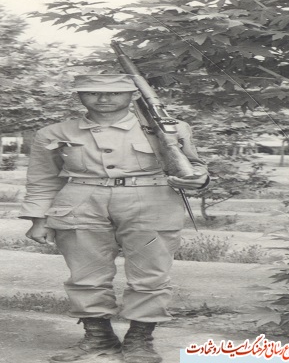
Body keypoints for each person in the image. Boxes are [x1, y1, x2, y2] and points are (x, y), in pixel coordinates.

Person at [20, 74, 209, 363]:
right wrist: (38, 218)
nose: (104, 98)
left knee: (151, 275)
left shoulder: (168, 127)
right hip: (81, 201)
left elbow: (194, 164)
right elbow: (42, 179)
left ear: (133, 95)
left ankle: (140, 341)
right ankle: (98, 338)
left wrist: (198, 178)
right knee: (85, 275)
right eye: (92, 93)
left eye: (115, 93)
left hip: (151, 201)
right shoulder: (54, 132)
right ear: (79, 95)